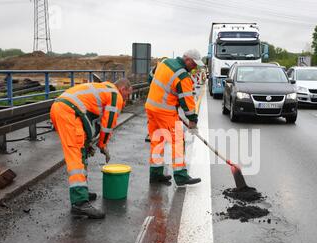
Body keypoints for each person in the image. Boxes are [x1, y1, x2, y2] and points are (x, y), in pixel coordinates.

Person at [50, 78, 132, 219]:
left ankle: (82, 192)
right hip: (68, 112)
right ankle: (80, 203)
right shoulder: (115, 96)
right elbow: (107, 125)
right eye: (128, 94)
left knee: (82, 152)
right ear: (123, 89)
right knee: (75, 155)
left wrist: (89, 143)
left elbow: (89, 120)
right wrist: (102, 145)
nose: (127, 98)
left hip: (66, 110)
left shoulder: (104, 89)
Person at [145, 49, 204, 186]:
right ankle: (180, 175)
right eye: (194, 64)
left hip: (151, 107)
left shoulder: (165, 62)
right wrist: (193, 121)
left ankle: (156, 174)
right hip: (165, 111)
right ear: (187, 60)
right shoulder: (182, 76)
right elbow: (187, 102)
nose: (195, 67)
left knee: (157, 140)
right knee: (177, 140)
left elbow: (150, 78)